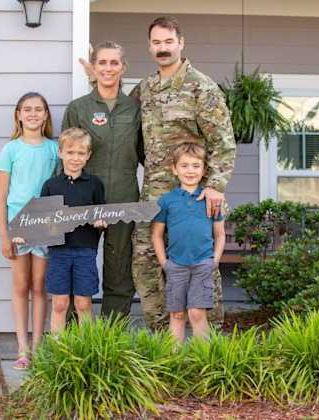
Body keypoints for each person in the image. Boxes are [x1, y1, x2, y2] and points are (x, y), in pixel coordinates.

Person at [130, 16, 236, 330]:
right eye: (157, 42)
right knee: (145, 258)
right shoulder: (145, 88)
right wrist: (98, 79)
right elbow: (124, 121)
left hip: (196, 194)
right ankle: (165, 339)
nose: (163, 48)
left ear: (181, 43)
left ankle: (210, 341)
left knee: (203, 264)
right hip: (155, 194)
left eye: (168, 41)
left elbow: (224, 142)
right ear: (149, 46)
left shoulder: (202, 88)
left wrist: (215, 185)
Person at [62, 41, 143, 318]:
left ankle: (112, 337)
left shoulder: (135, 109)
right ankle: (73, 338)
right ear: (94, 68)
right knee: (77, 265)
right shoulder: (78, 108)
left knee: (119, 269)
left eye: (114, 63)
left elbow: (148, 153)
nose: (108, 68)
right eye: (102, 63)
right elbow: (65, 155)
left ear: (123, 67)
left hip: (123, 196)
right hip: (82, 198)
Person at [0, 92, 59, 370]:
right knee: (21, 285)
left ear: (46, 115)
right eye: (27, 109)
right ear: (18, 115)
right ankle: (22, 348)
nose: (33, 114)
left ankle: (38, 346)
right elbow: (1, 196)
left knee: (39, 285)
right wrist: (4, 235)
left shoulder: (54, 149)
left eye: (38, 109)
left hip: (45, 219)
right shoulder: (10, 150)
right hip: (18, 222)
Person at [152, 143, 225, 343]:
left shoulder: (211, 201)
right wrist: (164, 263)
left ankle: (203, 358)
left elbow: (220, 234)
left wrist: (215, 260)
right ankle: (175, 360)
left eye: (195, 166)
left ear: (203, 170)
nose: (190, 171)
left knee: (197, 313)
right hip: (176, 265)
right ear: (174, 169)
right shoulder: (167, 201)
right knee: (177, 315)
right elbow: (157, 235)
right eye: (184, 166)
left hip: (202, 264)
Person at [40, 128, 107, 334]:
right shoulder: (51, 185)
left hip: (85, 251)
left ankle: (86, 348)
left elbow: (101, 212)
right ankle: (58, 351)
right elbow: (42, 220)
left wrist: (100, 222)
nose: (75, 158)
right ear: (60, 153)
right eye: (70, 152)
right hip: (59, 252)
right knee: (60, 303)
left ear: (88, 156)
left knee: (83, 304)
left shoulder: (94, 184)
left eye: (80, 153)